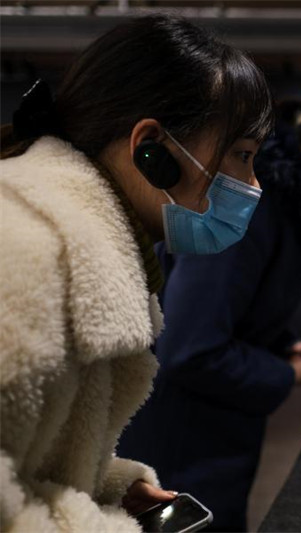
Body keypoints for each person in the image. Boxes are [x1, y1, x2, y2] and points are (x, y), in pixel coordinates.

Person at [0, 15, 272, 532]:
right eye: (241, 154)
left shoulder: (94, 248)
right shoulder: (28, 251)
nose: (253, 183)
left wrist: (110, 487)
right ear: (153, 150)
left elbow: (25, 457)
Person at [118, 65, 301, 530]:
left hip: (216, 431)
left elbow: (238, 309)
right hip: (185, 441)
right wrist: (284, 372)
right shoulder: (256, 205)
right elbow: (191, 346)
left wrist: (281, 343)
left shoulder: (297, 204)